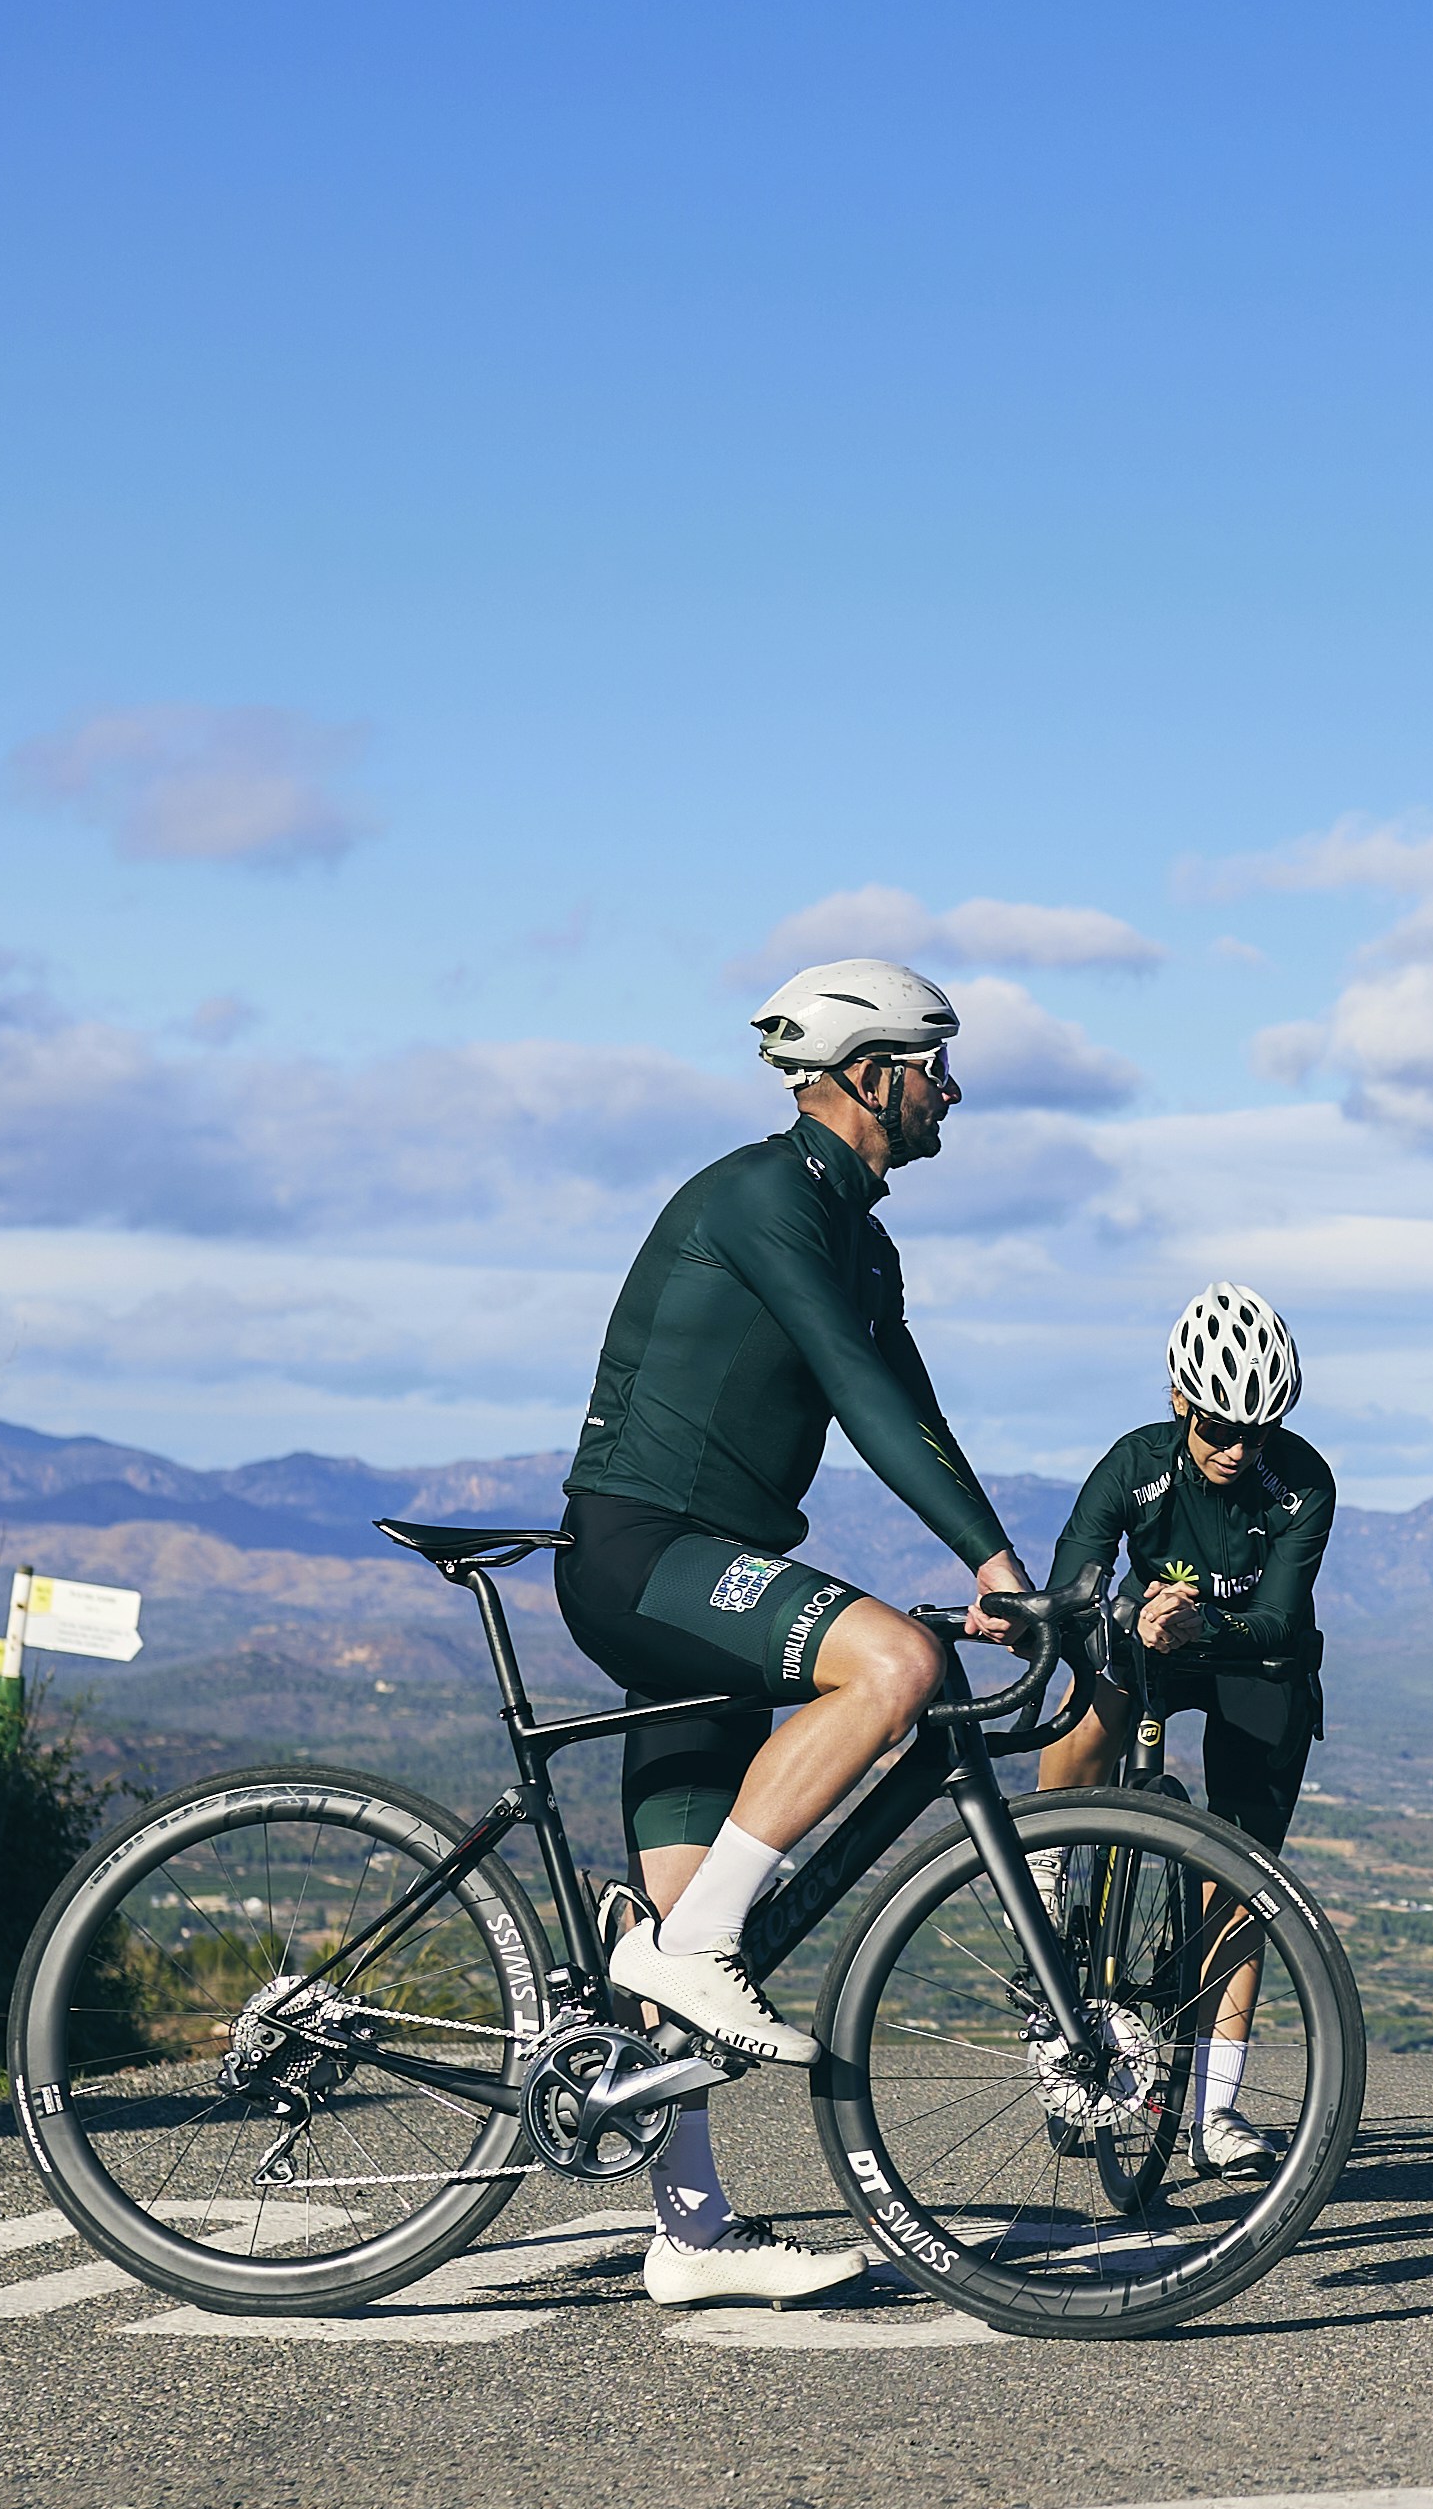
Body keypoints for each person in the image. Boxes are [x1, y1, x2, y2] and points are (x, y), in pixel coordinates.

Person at [554, 955, 1036, 2308]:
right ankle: (689, 1948)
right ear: (873, 1074)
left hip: (705, 1565)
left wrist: (1007, 1567)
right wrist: (980, 1570)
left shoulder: (860, 1235)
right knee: (895, 1662)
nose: (951, 1086)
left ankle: (690, 2232)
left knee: (686, 1897)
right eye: (934, 1061)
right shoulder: (766, 1199)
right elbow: (856, 1396)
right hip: (648, 1556)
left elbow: (915, 1415)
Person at [1033, 1283, 1336, 2177]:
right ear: (1179, 1401)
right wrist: (1127, 1615)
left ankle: (1216, 2109)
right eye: (1218, 1428)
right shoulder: (1136, 1464)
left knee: (1243, 1880)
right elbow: (1072, 1585)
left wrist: (1206, 1622)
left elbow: (1280, 1618)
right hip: (1150, 1642)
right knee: (1095, 1693)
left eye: (1259, 1430)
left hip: (1257, 1658)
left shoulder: (1302, 1480)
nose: (1239, 1450)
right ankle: (1045, 1861)